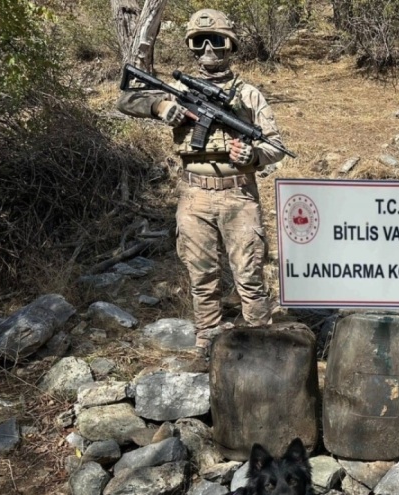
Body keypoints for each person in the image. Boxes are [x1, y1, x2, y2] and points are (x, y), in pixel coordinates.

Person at [117, 9, 285, 354]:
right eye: (199, 41)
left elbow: (276, 146)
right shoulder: (178, 90)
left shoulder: (248, 95)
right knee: (201, 275)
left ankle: (259, 340)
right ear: (191, 47)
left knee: (249, 276)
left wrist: (251, 156)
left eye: (217, 40)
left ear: (230, 45)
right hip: (194, 194)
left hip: (238, 194)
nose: (209, 49)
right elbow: (126, 98)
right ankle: (207, 338)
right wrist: (161, 107)